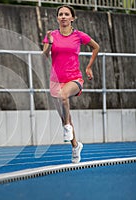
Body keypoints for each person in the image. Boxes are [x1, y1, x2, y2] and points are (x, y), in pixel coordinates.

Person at [42, 5, 100, 163]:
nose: (63, 16)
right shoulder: (51, 35)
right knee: (64, 116)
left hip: (74, 79)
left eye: (66, 14)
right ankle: (75, 147)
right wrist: (50, 44)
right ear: (57, 18)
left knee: (63, 96)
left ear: (72, 18)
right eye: (60, 14)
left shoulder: (79, 36)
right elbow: (44, 56)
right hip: (55, 80)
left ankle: (67, 128)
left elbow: (96, 47)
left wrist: (88, 67)